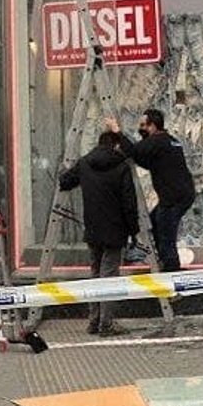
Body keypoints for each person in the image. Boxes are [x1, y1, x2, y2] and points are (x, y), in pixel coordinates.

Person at [57, 130, 140, 336]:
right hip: (115, 229)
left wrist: (65, 169)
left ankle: (93, 321)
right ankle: (106, 324)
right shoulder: (122, 166)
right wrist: (134, 231)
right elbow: (129, 203)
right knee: (109, 276)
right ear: (116, 145)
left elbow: (65, 181)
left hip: (92, 228)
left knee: (95, 275)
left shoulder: (85, 163)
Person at [108, 109, 196, 272]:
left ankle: (171, 274)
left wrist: (116, 132)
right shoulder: (169, 141)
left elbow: (135, 151)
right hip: (181, 195)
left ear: (153, 126)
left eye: (143, 125)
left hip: (173, 199)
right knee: (154, 222)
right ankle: (164, 261)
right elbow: (147, 161)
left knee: (165, 237)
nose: (140, 129)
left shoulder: (157, 141)